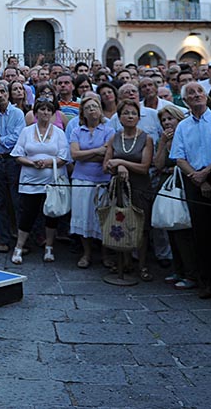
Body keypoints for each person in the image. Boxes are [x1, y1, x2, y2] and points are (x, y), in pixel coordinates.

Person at [170, 81, 211, 299]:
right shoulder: (183, 126)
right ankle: (208, 282)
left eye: (199, 91)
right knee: (201, 235)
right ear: (185, 100)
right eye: (190, 93)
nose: (196, 95)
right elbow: (179, 157)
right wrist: (198, 179)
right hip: (194, 184)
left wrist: (206, 174)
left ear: (206, 96)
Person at [10, 97, 69, 265]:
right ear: (35, 113)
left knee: (51, 214)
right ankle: (19, 247)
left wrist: (48, 163)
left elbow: (64, 156)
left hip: (51, 180)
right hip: (30, 179)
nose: (45, 112)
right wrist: (32, 162)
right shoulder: (27, 131)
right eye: (42, 109)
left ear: (52, 113)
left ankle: (49, 247)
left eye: (49, 110)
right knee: (27, 213)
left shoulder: (58, 132)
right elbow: (17, 154)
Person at [103, 99, 154, 281]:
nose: (130, 116)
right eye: (126, 113)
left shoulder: (146, 138)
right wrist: (117, 168)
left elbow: (145, 167)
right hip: (119, 187)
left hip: (139, 187)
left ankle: (142, 265)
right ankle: (124, 262)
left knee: (141, 226)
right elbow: (106, 165)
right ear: (119, 117)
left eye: (133, 113)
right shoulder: (114, 137)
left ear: (139, 118)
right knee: (120, 223)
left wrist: (122, 163)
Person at [69, 94, 114, 269]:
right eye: (87, 108)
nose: (91, 110)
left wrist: (86, 154)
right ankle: (86, 253)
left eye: (94, 106)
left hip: (102, 179)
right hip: (81, 179)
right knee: (82, 216)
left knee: (101, 217)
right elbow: (74, 155)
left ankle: (105, 254)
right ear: (83, 113)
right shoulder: (76, 131)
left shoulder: (109, 130)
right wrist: (97, 151)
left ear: (100, 110)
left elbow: (108, 154)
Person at [0, 81, 26, 253]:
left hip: (11, 160)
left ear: (8, 94)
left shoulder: (17, 113)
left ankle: (21, 240)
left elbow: (16, 138)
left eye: (2, 92)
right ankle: (3, 238)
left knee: (16, 201)